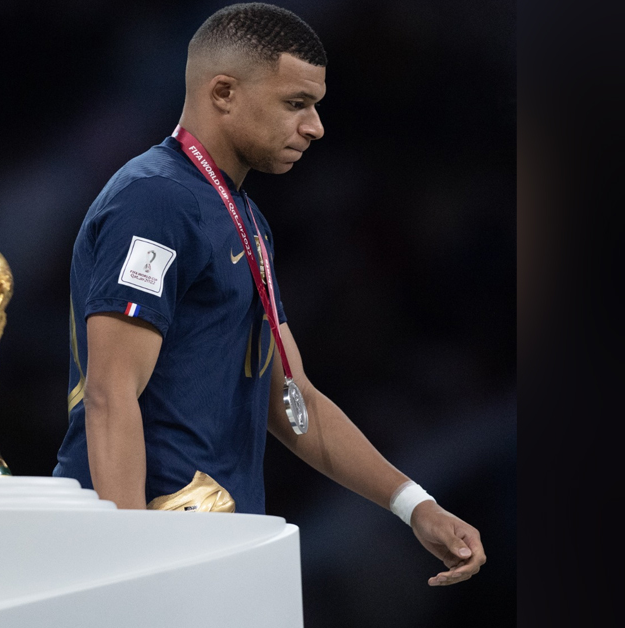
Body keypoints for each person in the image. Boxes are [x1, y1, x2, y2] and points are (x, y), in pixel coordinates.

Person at [53, 2, 485, 586]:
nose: (315, 126)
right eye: (295, 103)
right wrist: (133, 571)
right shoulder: (154, 201)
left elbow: (294, 399)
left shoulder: (245, 221)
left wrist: (415, 506)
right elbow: (111, 394)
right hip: (155, 550)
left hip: (217, 545)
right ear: (224, 92)